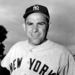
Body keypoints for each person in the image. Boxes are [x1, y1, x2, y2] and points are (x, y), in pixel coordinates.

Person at [1, 4, 75, 75]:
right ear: (24, 27)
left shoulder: (64, 55)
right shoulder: (16, 48)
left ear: (48, 26)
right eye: (30, 24)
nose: (35, 29)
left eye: (40, 24)